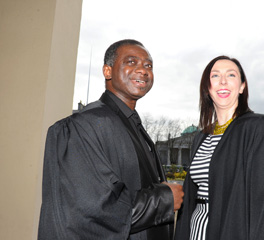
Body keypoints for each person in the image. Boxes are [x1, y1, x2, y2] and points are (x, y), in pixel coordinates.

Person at [38, 39, 184, 240]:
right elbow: (90, 211)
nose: (143, 70)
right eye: (131, 62)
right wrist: (165, 199)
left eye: (148, 65)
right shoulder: (84, 125)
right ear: (107, 71)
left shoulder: (133, 127)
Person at [174, 56, 264, 240]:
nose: (223, 81)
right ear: (207, 88)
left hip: (237, 230)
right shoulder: (201, 138)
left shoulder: (261, 129)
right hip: (197, 229)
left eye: (231, 75)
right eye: (215, 76)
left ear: (242, 86)